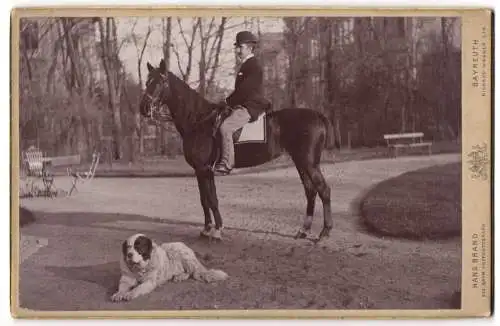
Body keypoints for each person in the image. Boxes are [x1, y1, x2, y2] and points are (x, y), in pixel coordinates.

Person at [214, 31, 270, 175]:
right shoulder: (247, 65)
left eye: (240, 47)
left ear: (249, 48)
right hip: (243, 104)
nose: (237, 50)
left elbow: (245, 91)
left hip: (251, 106)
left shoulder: (253, 66)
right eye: (236, 47)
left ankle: (226, 164)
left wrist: (227, 101)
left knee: (225, 128)